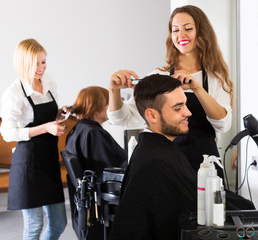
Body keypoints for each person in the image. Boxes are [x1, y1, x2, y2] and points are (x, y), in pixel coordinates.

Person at [108, 5, 234, 183]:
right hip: (166, 165)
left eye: (188, 28)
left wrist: (197, 88)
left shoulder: (216, 78)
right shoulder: (159, 76)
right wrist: (114, 91)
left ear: (202, 32)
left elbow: (223, 124)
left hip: (204, 168)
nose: (181, 35)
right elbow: (123, 119)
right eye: (175, 30)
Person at [109, 74, 197, 240]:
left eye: (185, 105)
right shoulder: (155, 160)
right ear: (152, 115)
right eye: (178, 108)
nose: (189, 112)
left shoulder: (158, 150)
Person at [0, 39, 67, 239]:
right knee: (34, 226)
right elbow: (8, 132)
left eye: (44, 62)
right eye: (36, 63)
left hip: (48, 161)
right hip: (28, 163)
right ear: (23, 64)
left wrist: (60, 112)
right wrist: (46, 128)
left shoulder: (48, 83)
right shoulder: (14, 93)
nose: (41, 68)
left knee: (59, 224)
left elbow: (49, 113)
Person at [65, 86, 127, 240]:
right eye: (108, 103)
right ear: (96, 108)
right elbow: (114, 168)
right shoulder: (93, 133)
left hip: (86, 200)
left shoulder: (77, 129)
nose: (111, 107)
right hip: (101, 201)